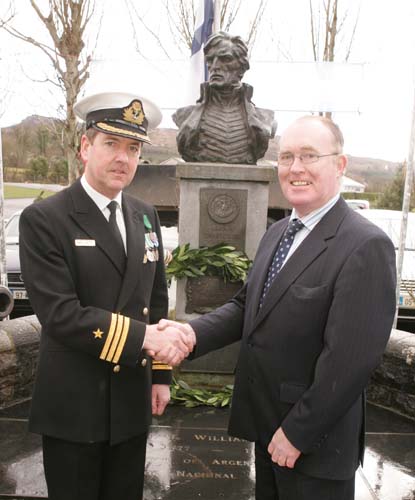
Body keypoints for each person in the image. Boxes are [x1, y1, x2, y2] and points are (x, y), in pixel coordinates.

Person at [161, 116, 397, 500]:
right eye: (286, 157)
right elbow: (247, 307)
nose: (295, 168)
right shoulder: (277, 233)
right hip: (269, 431)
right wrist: (191, 333)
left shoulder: (365, 245)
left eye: (309, 156)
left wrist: (298, 433)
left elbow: (350, 361)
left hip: (313, 446)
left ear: (340, 165)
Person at [19, 91, 192, 500]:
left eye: (133, 148)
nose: (123, 158)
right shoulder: (45, 219)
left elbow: (156, 299)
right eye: (110, 144)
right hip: (75, 404)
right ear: (84, 146)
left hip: (131, 399)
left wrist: (161, 376)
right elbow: (60, 314)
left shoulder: (144, 214)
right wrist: (143, 340)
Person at [172, 31, 276, 164]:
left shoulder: (264, 119)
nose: (215, 66)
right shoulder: (185, 115)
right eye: (210, 60)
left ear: (241, 67)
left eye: (225, 59)